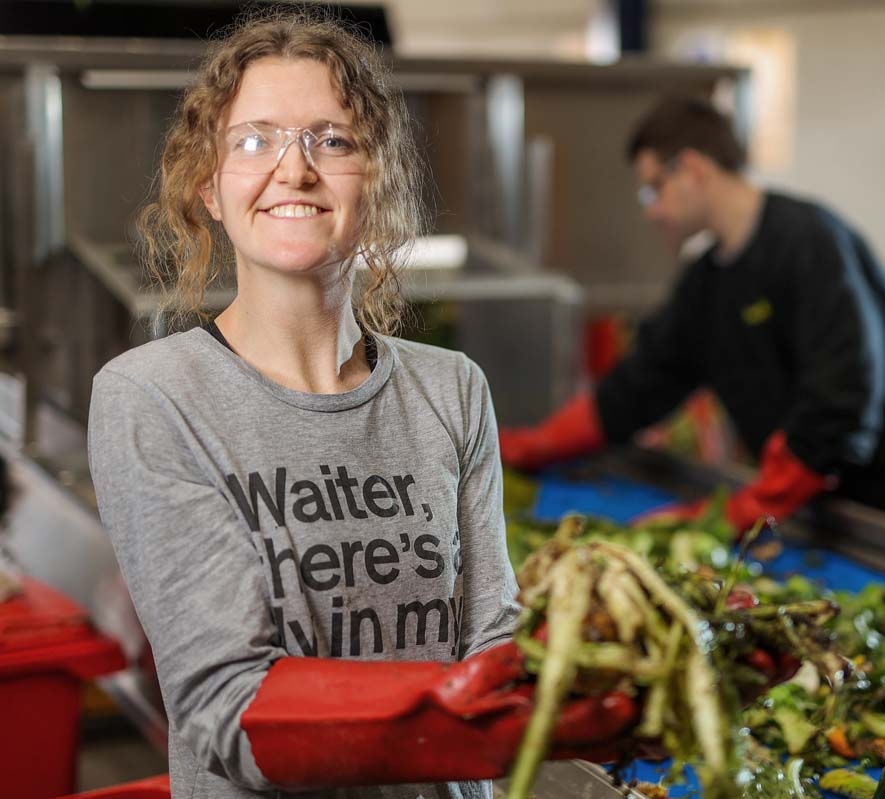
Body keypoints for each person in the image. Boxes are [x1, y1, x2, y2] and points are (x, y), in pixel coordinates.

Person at [86, 12, 638, 799]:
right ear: (209, 187)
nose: (295, 169)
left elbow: (493, 638)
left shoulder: (452, 388)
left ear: (374, 180)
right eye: (255, 140)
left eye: (332, 140)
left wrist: (615, 671)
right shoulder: (153, 396)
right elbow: (229, 710)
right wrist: (463, 704)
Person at [500, 96, 885, 546]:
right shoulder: (708, 283)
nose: (652, 211)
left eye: (654, 189)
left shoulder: (809, 242)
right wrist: (527, 448)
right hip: (837, 511)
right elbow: (637, 387)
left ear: (692, 168)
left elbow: (843, 399)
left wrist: (740, 511)